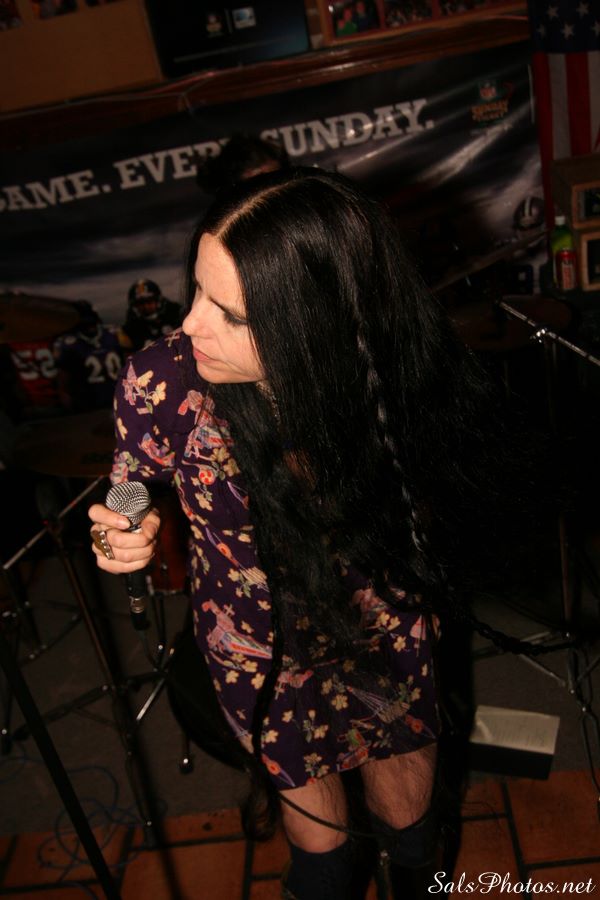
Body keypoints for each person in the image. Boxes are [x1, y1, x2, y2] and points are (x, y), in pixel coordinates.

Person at [89, 168, 498, 899]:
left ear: (314, 323)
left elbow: (438, 493)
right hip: (254, 644)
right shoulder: (163, 380)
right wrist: (123, 522)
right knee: (320, 845)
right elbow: (131, 475)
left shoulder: (391, 372)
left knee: (409, 823)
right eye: (197, 291)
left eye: (230, 314)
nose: (190, 326)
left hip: (381, 625)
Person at [53, 301, 126, 411]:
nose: (90, 327)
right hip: (88, 401)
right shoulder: (68, 344)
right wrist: (63, 393)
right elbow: (63, 374)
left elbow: (129, 361)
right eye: (86, 324)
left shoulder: (114, 335)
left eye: (91, 323)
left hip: (119, 396)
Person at [122, 278, 182, 351]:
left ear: (158, 300)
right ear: (134, 306)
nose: (146, 306)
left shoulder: (175, 312)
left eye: (149, 301)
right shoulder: (132, 325)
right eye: (141, 303)